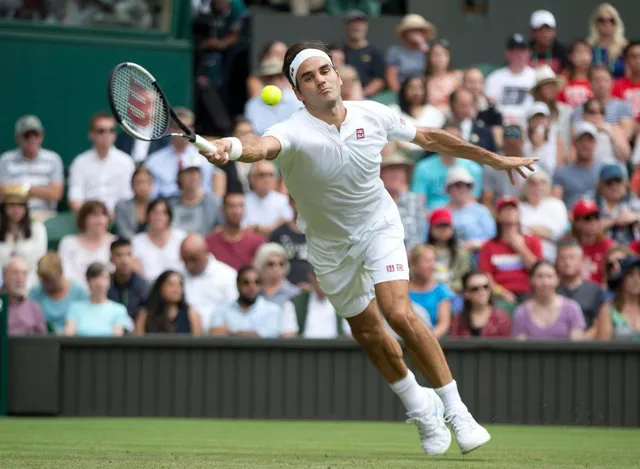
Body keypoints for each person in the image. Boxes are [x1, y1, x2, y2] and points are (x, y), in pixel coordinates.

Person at [199, 40, 536, 455]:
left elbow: (430, 136)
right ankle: (418, 404)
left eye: (324, 71)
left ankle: (457, 410)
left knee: (397, 311)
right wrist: (229, 148)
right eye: (308, 77)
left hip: (379, 226)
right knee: (369, 333)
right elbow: (258, 147)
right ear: (298, 92)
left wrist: (493, 159)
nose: (320, 80)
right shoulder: (289, 131)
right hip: (329, 247)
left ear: (337, 75)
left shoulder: (372, 113)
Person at [512, 260, 586, 340]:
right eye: (539, 277)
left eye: (549, 276)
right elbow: (520, 348)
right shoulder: (521, 312)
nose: (545, 282)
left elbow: (576, 346)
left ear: (557, 280)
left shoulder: (572, 308)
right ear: (531, 280)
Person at [64, 262, 133, 337]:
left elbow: (117, 339)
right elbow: (69, 336)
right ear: (88, 281)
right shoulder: (75, 308)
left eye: (104, 278)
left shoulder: (119, 309)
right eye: (95, 278)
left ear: (109, 282)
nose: (99, 283)